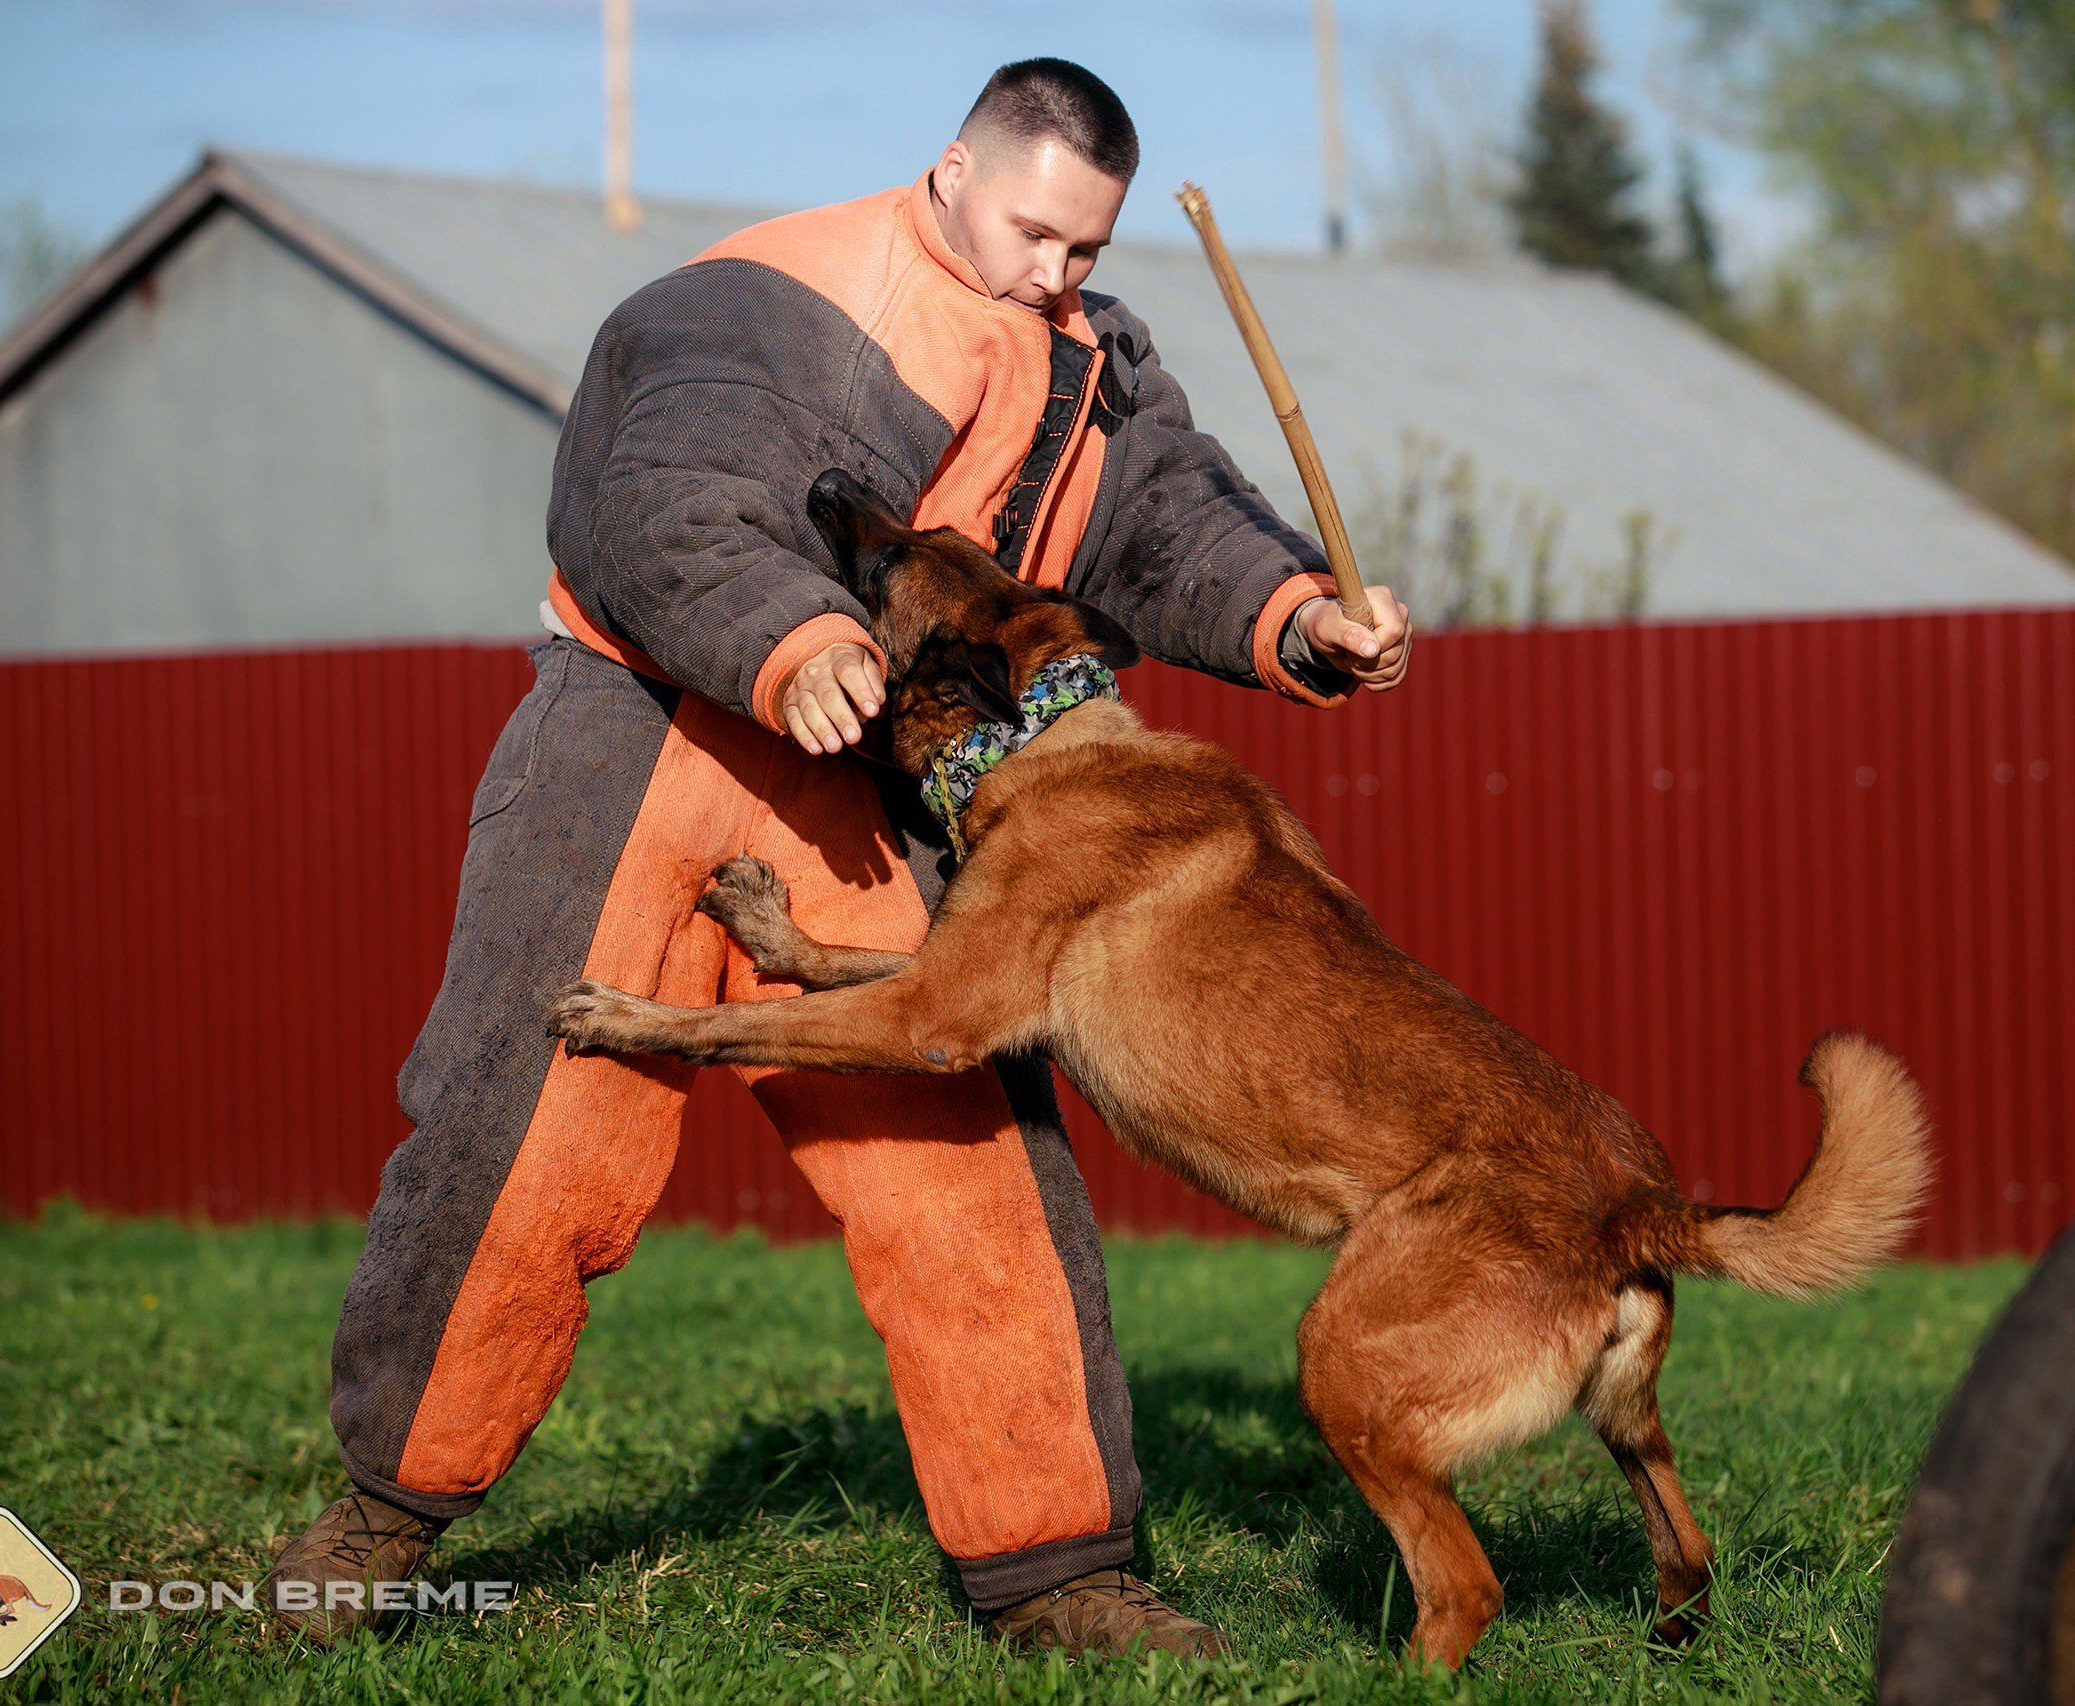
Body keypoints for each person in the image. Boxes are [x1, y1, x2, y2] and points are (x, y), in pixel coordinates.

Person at [268, 57, 1412, 1658]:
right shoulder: (764, 296)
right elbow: (658, 496)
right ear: (953, 169)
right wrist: (790, 632)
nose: (1058, 273)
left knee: (969, 1159)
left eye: (1088, 248)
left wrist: (1301, 617)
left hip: (871, 789)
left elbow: (1166, 531)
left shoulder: (1095, 363)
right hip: (647, 733)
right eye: (1035, 234)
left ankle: (1061, 1568)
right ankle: (381, 1522)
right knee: (526, 1137)